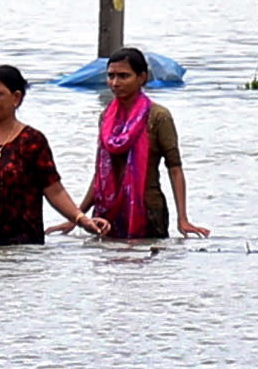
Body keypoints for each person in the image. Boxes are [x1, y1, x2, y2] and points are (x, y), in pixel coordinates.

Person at [0, 66, 105, 245]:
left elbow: (55, 191)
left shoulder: (32, 141)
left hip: (22, 247)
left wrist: (81, 219)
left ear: (16, 97)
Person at [79, 46, 209, 241]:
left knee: (145, 260)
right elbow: (100, 175)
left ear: (142, 78)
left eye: (123, 76)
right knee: (107, 258)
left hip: (148, 210)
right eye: (111, 76)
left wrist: (182, 219)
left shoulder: (158, 116)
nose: (115, 83)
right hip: (107, 213)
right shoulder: (106, 118)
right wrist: (77, 216)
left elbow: (174, 168)